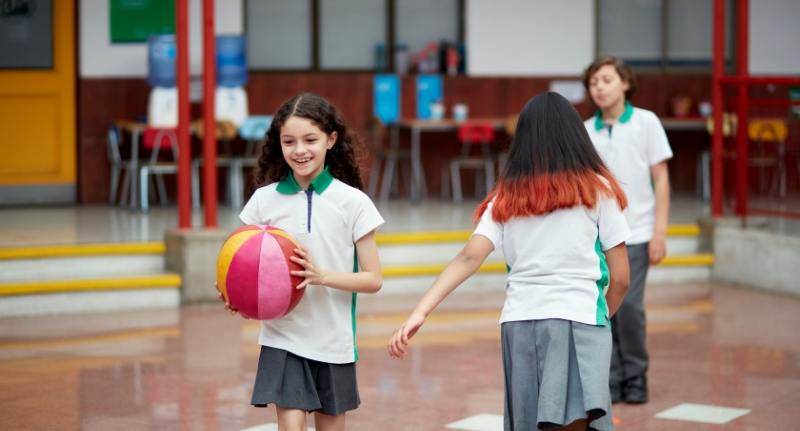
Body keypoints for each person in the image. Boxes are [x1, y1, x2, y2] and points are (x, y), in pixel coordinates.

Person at [388, 92, 631, 431]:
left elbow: (469, 257)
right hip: (578, 319)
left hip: (519, 323)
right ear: (576, 136)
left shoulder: (506, 197)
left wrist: (420, 311)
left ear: (523, 141)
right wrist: (599, 318)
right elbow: (620, 278)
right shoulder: (599, 190)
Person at [218, 93, 384, 431]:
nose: (299, 150)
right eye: (289, 141)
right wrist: (236, 294)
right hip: (283, 335)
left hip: (333, 339)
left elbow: (373, 279)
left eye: (310, 139)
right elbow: (243, 261)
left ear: (331, 140)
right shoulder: (263, 201)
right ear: (278, 143)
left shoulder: (353, 203)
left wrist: (321, 276)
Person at [582, 56, 673, 405]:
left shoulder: (646, 122)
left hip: (637, 233)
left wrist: (660, 231)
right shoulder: (587, 129)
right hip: (598, 236)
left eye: (606, 80)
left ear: (624, 83)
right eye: (594, 83)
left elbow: (661, 179)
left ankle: (635, 375)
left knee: (629, 307)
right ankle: (613, 376)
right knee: (605, 306)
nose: (599, 87)